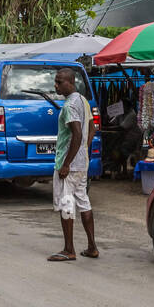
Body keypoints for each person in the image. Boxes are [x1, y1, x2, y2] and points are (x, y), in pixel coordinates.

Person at [47, 68, 98, 262]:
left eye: (59, 82)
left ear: (70, 82)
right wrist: (84, 148)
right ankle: (92, 247)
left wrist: (66, 163)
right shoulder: (83, 101)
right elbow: (91, 128)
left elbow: (77, 133)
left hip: (69, 164)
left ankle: (69, 249)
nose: (56, 85)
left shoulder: (70, 106)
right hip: (82, 162)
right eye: (56, 81)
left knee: (66, 203)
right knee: (83, 201)